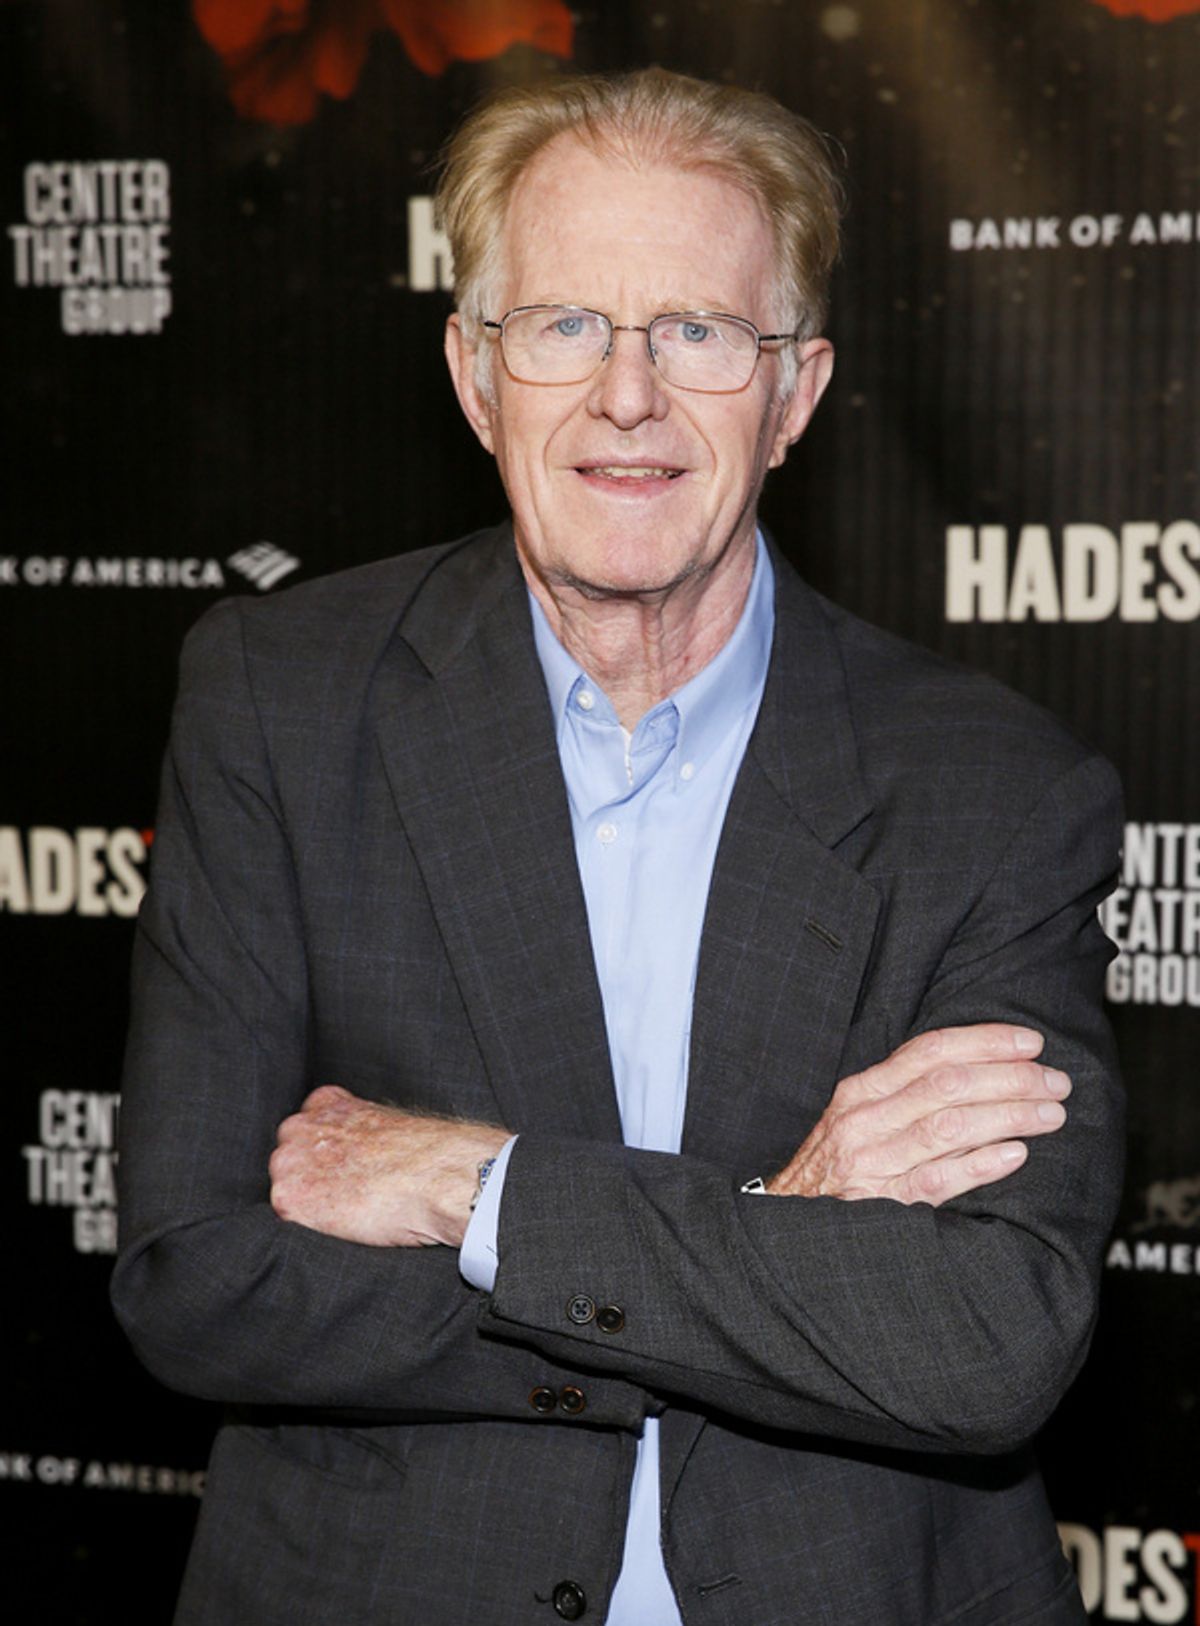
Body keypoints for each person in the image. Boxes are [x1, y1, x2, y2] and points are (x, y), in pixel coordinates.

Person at [112, 67, 1123, 1626]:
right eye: (568, 325)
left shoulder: (993, 785)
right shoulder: (279, 702)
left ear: (796, 393)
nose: (627, 394)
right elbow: (200, 1277)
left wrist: (481, 1192)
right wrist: (775, 1246)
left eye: (701, 334)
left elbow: (989, 1339)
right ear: (473, 373)